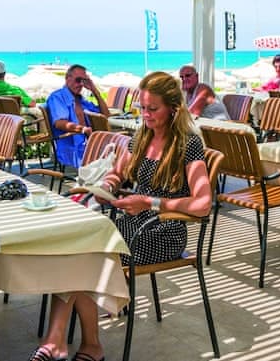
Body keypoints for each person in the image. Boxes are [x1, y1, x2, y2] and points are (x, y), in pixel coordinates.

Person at [30, 71, 211, 361]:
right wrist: (108, 186)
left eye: (153, 109)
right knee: (75, 247)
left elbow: (203, 203)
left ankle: (64, 344)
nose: (145, 114)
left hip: (164, 233)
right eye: (143, 107)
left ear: (173, 109)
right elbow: (117, 172)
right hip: (130, 225)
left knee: (85, 253)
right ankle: (75, 345)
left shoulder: (188, 145)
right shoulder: (142, 136)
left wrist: (150, 202)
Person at [46, 65, 110, 167]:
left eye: (84, 81)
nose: (81, 84)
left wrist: (95, 91)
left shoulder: (81, 101)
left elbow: (106, 115)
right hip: (73, 151)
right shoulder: (57, 97)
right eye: (78, 80)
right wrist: (83, 129)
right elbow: (60, 123)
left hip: (89, 146)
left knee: (122, 149)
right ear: (67, 79)